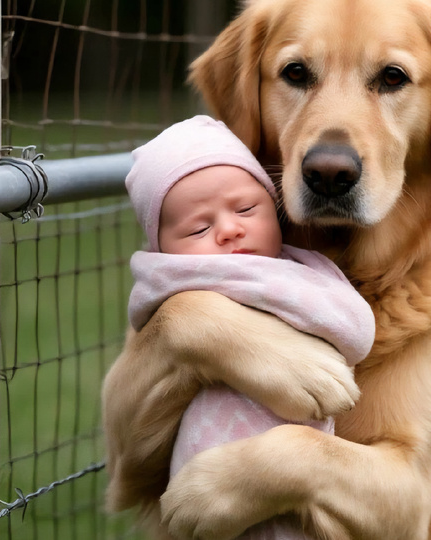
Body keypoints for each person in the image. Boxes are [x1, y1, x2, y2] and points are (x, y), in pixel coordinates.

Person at [123, 115, 375, 539]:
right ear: (161, 249)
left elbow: (353, 328)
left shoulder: (302, 274)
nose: (228, 230)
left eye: (246, 209)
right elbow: (126, 470)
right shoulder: (165, 283)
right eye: (198, 228)